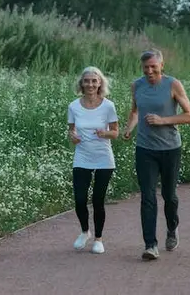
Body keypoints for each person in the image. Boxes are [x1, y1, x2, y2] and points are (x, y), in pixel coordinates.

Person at [122, 49, 190, 261]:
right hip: (145, 149)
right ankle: (150, 245)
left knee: (169, 196)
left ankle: (172, 228)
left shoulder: (173, 84)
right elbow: (135, 111)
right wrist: (129, 128)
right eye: (146, 67)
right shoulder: (137, 85)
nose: (150, 71)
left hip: (170, 148)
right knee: (147, 196)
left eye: (154, 66)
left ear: (161, 66)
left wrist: (163, 120)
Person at [67, 66, 119, 255]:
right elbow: (71, 130)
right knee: (80, 199)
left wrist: (104, 133)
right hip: (82, 156)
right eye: (86, 81)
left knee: (98, 199)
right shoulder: (73, 106)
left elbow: (115, 132)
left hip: (104, 157)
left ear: (100, 84)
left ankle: (98, 239)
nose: (90, 84)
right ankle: (84, 232)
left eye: (94, 81)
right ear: (81, 84)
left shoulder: (108, 106)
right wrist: (72, 137)